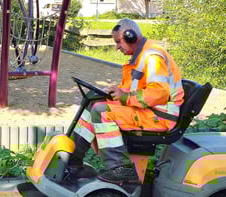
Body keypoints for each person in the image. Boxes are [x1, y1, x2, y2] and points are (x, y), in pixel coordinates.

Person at [66, 18, 184, 184]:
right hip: (148, 111)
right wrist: (119, 93)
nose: (117, 47)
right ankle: (73, 162)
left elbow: (159, 93)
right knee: (93, 103)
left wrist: (125, 96)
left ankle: (120, 168)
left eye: (118, 42)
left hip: (159, 116)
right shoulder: (142, 55)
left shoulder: (152, 57)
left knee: (102, 112)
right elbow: (137, 89)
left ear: (131, 36)